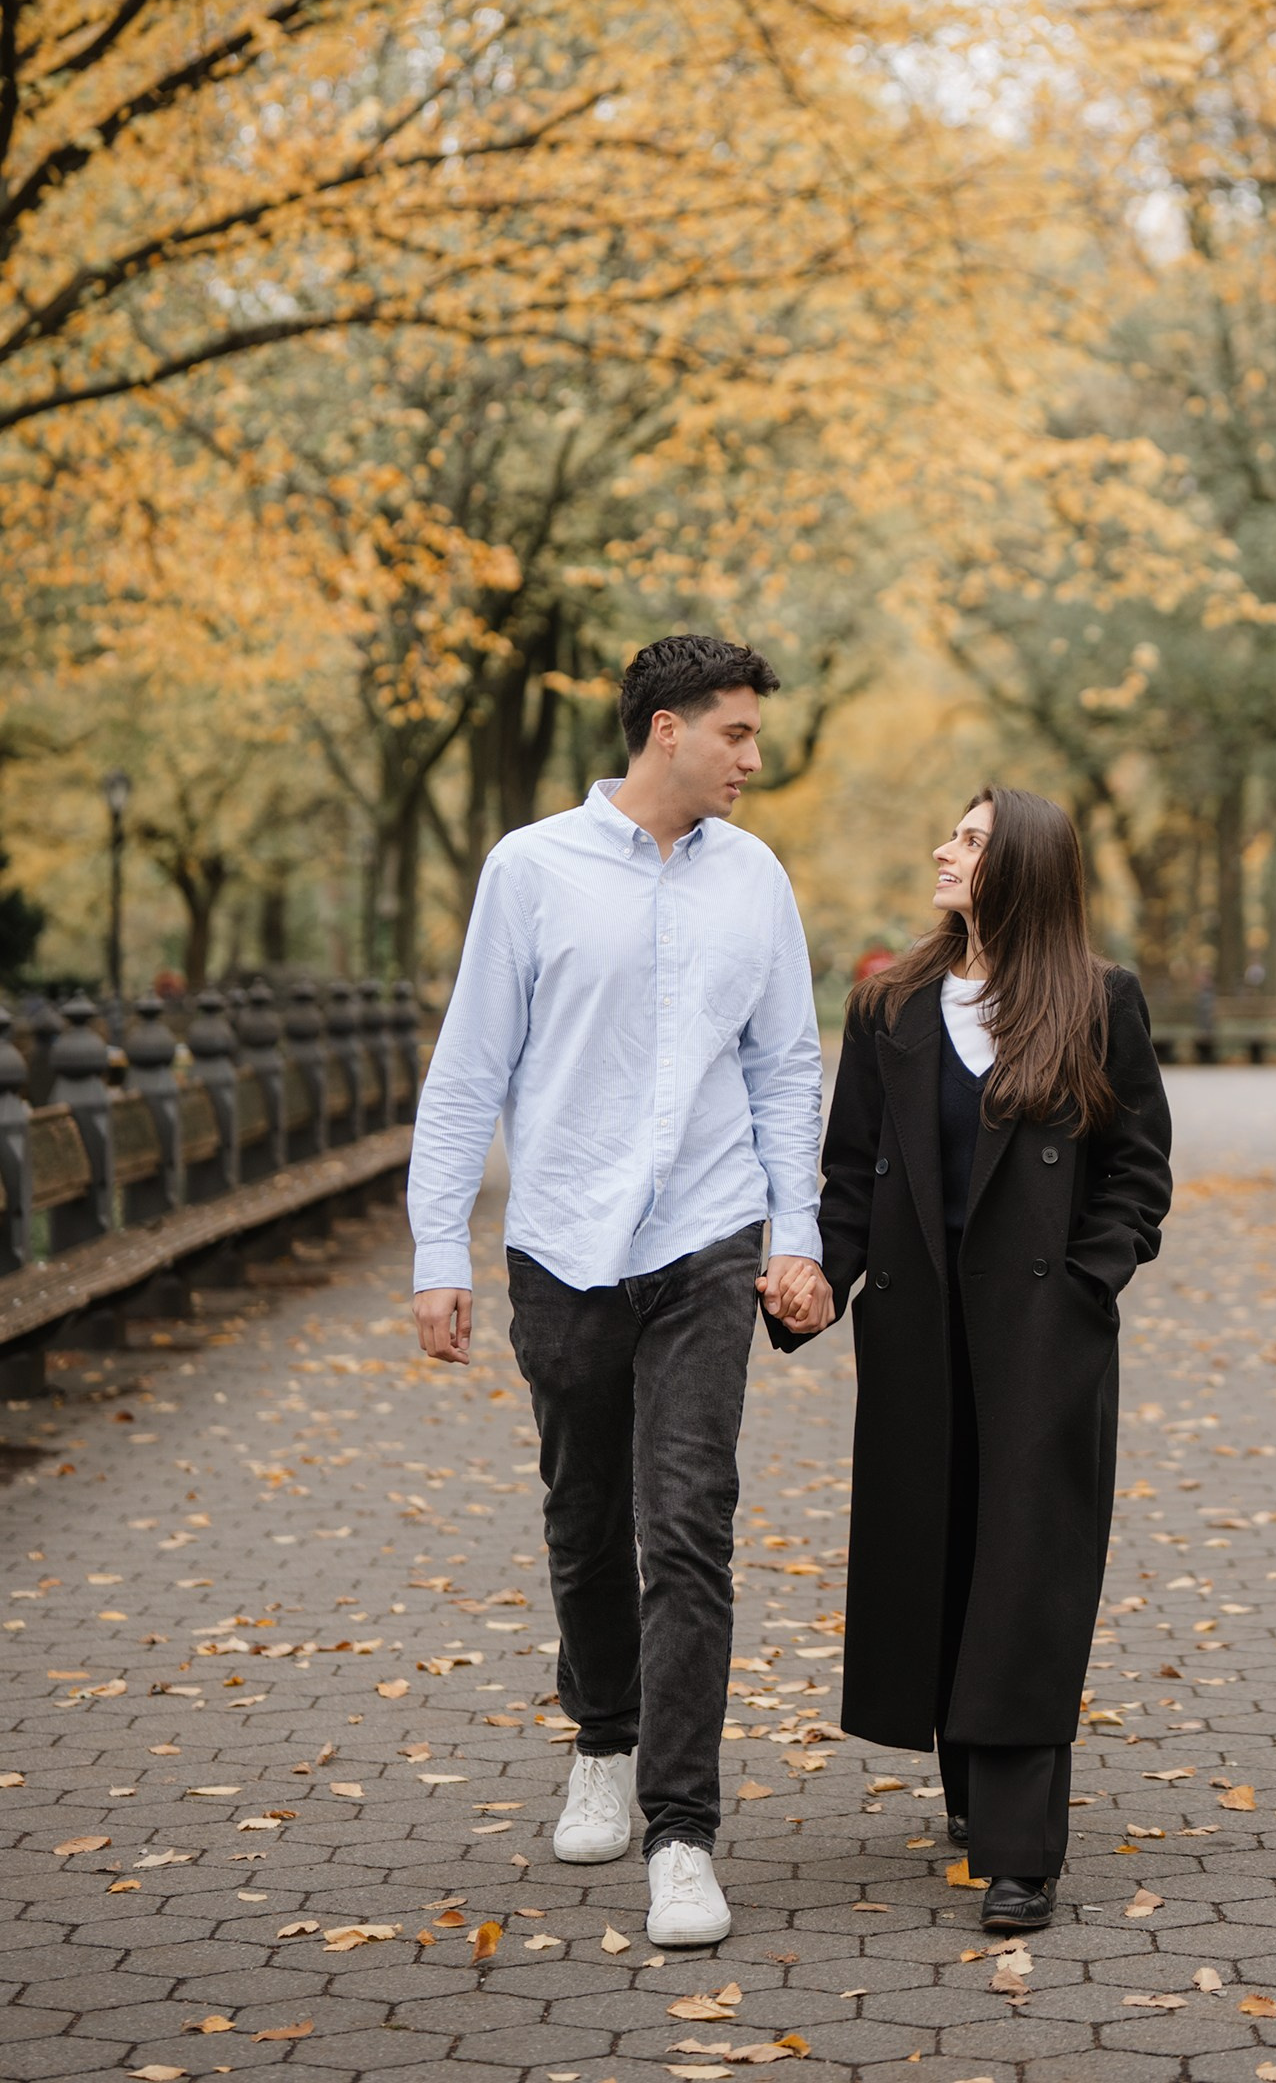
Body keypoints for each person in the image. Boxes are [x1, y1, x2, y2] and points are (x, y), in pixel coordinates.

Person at [405, 633, 833, 1950]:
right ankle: (602, 1731)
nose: (756, 757)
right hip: (564, 1246)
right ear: (665, 729)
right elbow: (474, 1065)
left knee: (689, 1518)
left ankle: (682, 1833)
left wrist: (797, 1235)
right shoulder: (530, 870)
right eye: (738, 734)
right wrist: (438, 1250)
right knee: (585, 1511)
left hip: (709, 1240)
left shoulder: (757, 881)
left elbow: (784, 1068)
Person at [774, 786, 1173, 1934]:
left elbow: (1136, 1170)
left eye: (970, 841)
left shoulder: (1098, 1002)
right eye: (947, 832)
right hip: (915, 1329)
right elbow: (851, 1176)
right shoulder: (889, 1004)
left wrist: (1086, 1283)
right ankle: (968, 1783)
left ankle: (1018, 1850)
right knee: (938, 1551)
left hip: (1040, 1335)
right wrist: (812, 1286)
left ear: (1025, 871)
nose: (942, 851)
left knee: (1026, 1569)